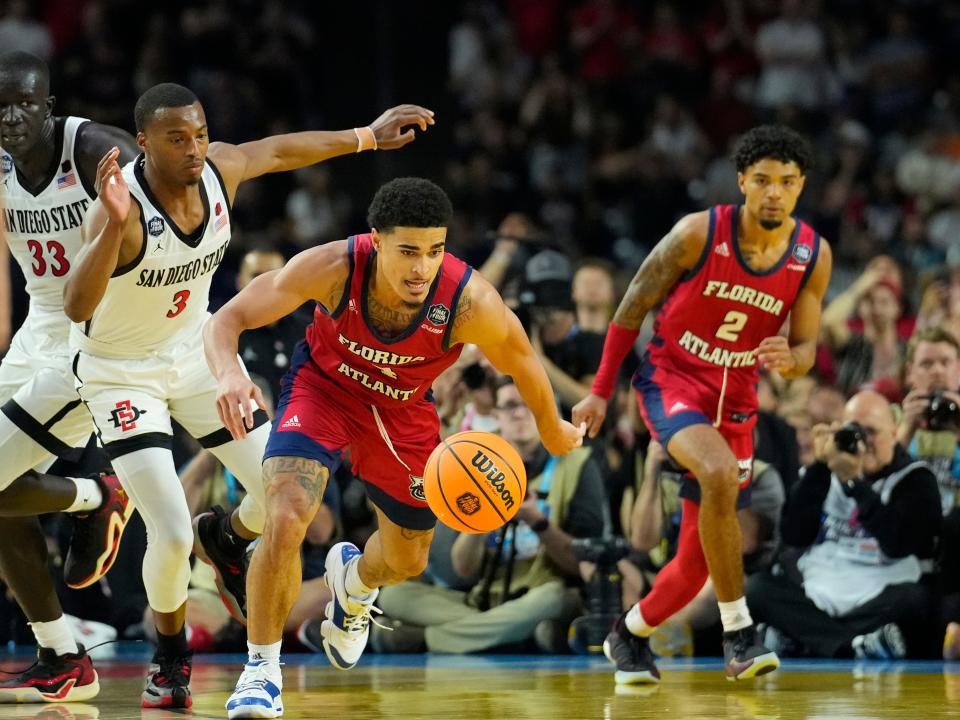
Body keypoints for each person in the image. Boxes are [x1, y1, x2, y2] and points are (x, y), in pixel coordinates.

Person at [63, 82, 435, 709]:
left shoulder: (218, 171)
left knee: (284, 498)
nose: (194, 148)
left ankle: (230, 537)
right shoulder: (117, 205)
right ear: (144, 141)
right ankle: (171, 657)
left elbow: (280, 151)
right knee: (172, 532)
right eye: (177, 138)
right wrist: (112, 228)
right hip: (119, 372)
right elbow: (76, 305)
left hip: (192, 356)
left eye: (201, 133)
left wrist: (366, 135)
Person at [203, 177, 584, 718]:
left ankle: (354, 586)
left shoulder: (468, 299)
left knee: (407, 560)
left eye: (434, 251)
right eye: (408, 251)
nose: (420, 268)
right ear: (376, 240)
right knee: (288, 512)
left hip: (402, 412)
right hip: (324, 390)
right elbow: (228, 318)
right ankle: (261, 670)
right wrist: (226, 375)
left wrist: (551, 426)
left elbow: (522, 358)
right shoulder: (333, 267)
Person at [573, 125, 832, 682]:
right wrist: (599, 389)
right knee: (716, 472)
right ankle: (739, 634)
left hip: (736, 399)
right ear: (742, 181)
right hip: (673, 380)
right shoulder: (698, 232)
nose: (773, 193)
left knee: (694, 563)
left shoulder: (813, 254)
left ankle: (628, 636)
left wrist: (795, 357)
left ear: (801, 187)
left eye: (786, 183)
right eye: (761, 180)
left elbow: (808, 350)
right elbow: (631, 305)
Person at [0, 51, 138, 703]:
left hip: (93, 334)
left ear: (48, 105)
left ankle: (98, 496)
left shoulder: (95, 152)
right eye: (0, 107)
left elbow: (170, 222)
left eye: (24, 103)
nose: (11, 117)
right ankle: (61, 657)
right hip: (36, 330)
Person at [372, 375, 606, 654]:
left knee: (555, 599)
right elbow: (464, 569)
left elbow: (581, 564)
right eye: (509, 406)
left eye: (528, 404)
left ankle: (425, 639)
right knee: (394, 595)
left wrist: (538, 522)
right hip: (485, 598)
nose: (519, 413)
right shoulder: (475, 467)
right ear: (496, 416)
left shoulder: (578, 464)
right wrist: (485, 517)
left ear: (545, 409)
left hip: (540, 591)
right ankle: (518, 635)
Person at [747, 390, 941, 659]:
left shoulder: (916, 479)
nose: (862, 443)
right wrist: (819, 467)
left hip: (881, 590)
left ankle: (808, 641)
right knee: (756, 588)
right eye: (854, 432)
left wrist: (855, 485)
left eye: (871, 432)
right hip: (818, 590)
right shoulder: (823, 472)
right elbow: (794, 535)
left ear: (894, 434)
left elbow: (899, 544)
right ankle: (854, 646)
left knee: (916, 601)